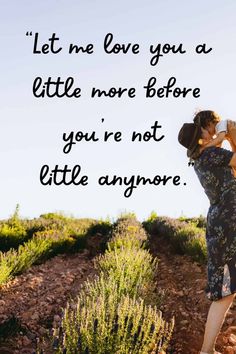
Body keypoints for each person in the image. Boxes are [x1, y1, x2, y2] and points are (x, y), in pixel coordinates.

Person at [178, 118, 236, 354]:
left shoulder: (199, 159)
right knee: (226, 292)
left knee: (225, 293)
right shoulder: (211, 155)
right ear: (201, 135)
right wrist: (230, 137)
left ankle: (207, 350)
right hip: (231, 221)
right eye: (206, 128)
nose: (211, 128)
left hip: (221, 222)